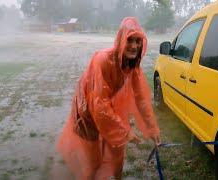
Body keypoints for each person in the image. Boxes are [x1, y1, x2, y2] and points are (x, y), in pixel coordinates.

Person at [56, 17, 161, 180]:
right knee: (94, 163)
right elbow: (98, 105)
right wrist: (124, 131)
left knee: (118, 155)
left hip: (106, 106)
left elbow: (141, 98)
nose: (134, 46)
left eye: (138, 41)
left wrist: (152, 128)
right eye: (130, 40)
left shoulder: (132, 64)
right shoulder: (103, 60)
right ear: (120, 40)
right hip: (86, 111)